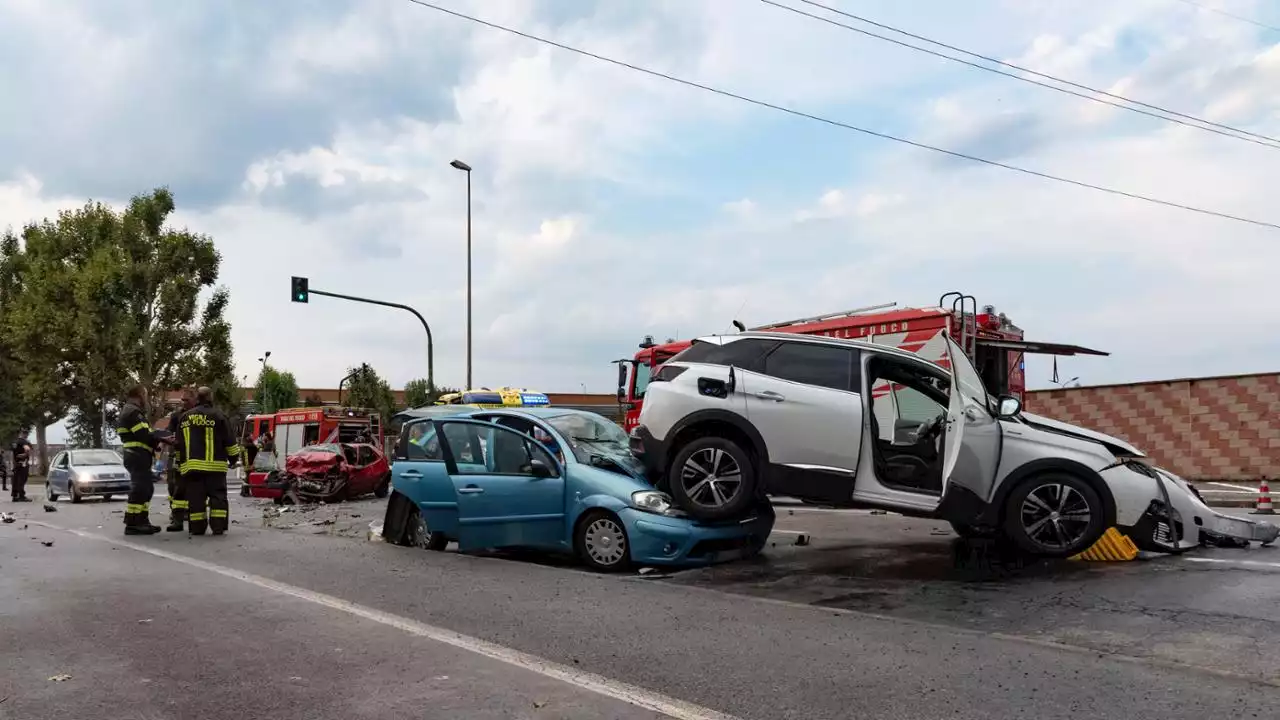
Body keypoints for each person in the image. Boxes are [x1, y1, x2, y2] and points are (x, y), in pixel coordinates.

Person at [176, 386, 239, 536]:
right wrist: (233, 458)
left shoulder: (185, 417)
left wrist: (180, 463)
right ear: (210, 398)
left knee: (196, 499)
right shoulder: (219, 416)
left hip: (192, 468)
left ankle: (197, 528)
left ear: (197, 398)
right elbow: (229, 440)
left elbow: (179, 444)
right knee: (218, 498)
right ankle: (218, 527)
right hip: (215, 468)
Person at [117, 385, 166, 534]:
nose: (147, 399)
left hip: (139, 455)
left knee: (147, 488)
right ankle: (133, 523)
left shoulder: (132, 411)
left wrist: (156, 441)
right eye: (145, 395)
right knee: (140, 488)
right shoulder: (133, 412)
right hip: (136, 455)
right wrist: (161, 438)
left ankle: (142, 520)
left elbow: (146, 434)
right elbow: (144, 434)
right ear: (139, 395)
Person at [163, 387, 197, 532]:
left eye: (186, 400)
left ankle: (190, 512)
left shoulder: (199, 415)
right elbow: (168, 431)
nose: (183, 403)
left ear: (195, 400)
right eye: (182, 400)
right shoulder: (177, 415)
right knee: (173, 485)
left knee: (192, 486)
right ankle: (176, 513)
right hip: (176, 454)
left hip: (194, 456)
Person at [10, 433, 32, 502]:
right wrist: (25, 454)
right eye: (26, 434)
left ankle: (14, 496)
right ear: (24, 435)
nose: (27, 435)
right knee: (22, 480)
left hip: (16, 464)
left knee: (15, 480)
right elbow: (27, 449)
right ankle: (21, 496)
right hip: (23, 464)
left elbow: (13, 453)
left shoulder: (14, 442)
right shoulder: (23, 441)